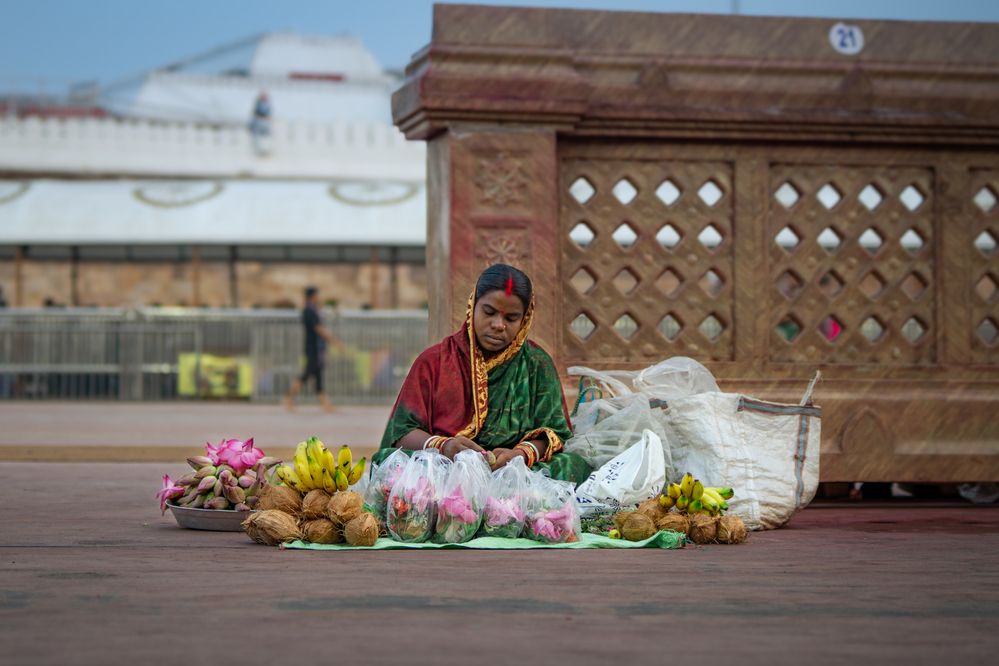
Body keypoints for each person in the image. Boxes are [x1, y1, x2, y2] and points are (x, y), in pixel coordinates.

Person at [375, 263, 592, 484]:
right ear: (473, 306)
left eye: (511, 318)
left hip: (511, 472)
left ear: (525, 319)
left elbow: (554, 435)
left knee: (573, 465)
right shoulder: (433, 361)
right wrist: (443, 446)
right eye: (489, 312)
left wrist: (519, 455)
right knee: (390, 462)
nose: (498, 325)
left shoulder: (538, 364)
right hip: (445, 469)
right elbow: (401, 433)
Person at [283, 286, 342, 413]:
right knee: (306, 375)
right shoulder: (309, 311)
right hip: (313, 349)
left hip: (317, 349)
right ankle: (288, 398)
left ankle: (325, 404)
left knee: (318, 376)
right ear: (313, 296)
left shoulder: (313, 310)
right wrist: (334, 341)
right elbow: (319, 329)